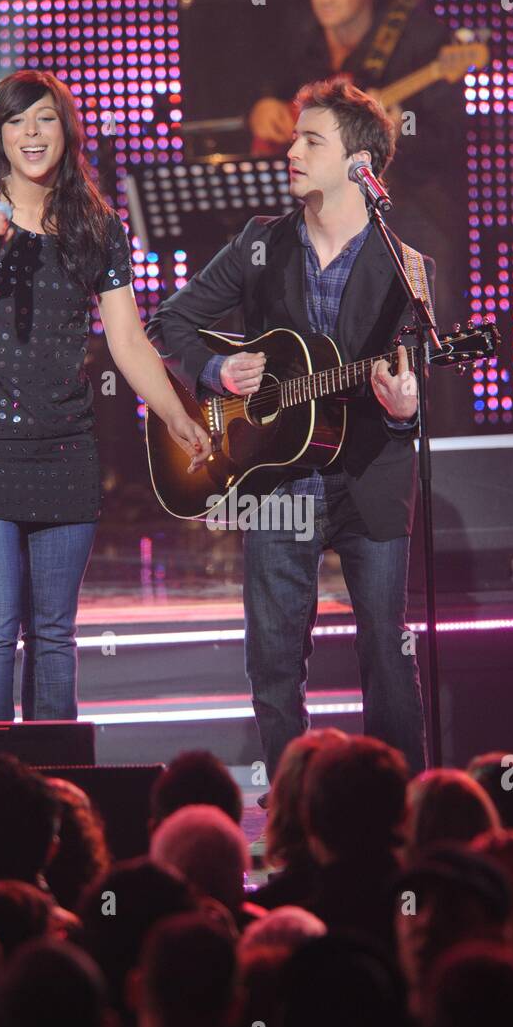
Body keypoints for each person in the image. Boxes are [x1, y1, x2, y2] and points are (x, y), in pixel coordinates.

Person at [146, 77, 430, 781]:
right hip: (275, 474)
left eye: (311, 140)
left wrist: (405, 408)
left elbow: (417, 386)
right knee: (274, 655)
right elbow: (168, 323)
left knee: (385, 652)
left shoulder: (406, 267)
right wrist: (216, 373)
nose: (290, 150)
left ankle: (399, 804)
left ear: (359, 165)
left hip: (370, 472)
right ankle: (290, 802)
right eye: (294, 138)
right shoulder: (260, 244)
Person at [0, 69, 208, 721]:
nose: (31, 134)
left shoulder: (94, 226)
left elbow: (128, 341)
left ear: (65, 130)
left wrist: (174, 413)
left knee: (52, 637)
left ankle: (57, 801)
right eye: (15, 122)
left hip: (64, 452)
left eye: (44, 118)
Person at [248, 0, 470, 430]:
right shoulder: (301, 34)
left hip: (408, 209)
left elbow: (447, 137)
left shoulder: (419, 38)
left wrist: (391, 131)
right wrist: (262, 106)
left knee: (430, 323)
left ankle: (449, 453)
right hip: (328, 223)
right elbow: (274, 90)